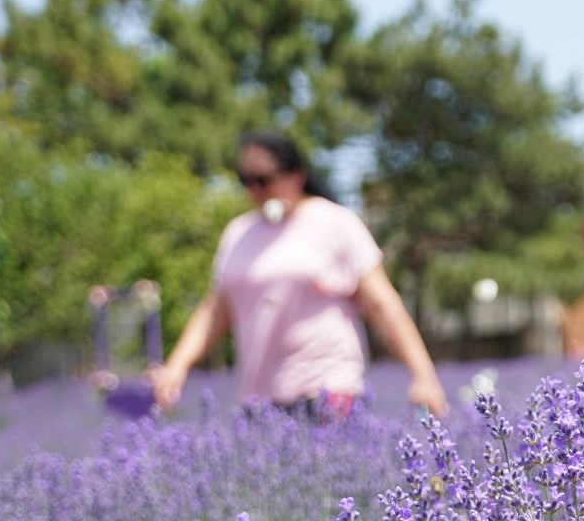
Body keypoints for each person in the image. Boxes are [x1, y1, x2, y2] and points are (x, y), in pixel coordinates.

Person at [152, 131, 448, 420]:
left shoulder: (335, 222)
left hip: (328, 388)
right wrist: (177, 366)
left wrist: (423, 375)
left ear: (297, 174)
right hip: (260, 399)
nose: (254, 190)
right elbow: (214, 311)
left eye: (263, 180)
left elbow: (384, 306)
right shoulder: (238, 233)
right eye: (246, 180)